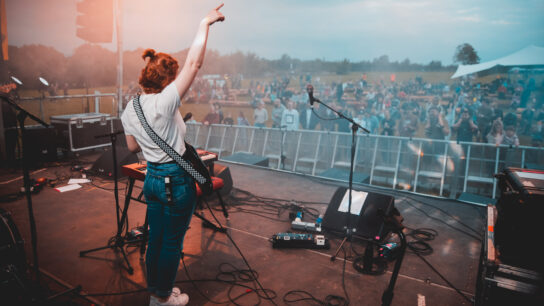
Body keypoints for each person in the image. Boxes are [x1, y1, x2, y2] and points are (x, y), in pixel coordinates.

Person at [120, 5, 224, 306]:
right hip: (174, 182)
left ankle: (157, 292)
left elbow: (130, 148)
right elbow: (195, 63)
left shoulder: (131, 107)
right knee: (171, 243)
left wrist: (154, 139)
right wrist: (206, 22)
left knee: (155, 239)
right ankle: (162, 299)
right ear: (167, 80)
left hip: (152, 179)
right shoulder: (165, 102)